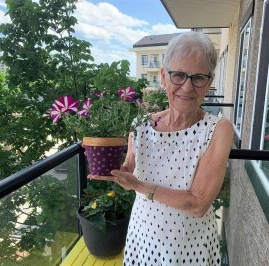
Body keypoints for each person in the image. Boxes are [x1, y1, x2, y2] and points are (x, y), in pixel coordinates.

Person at [89, 31, 234, 266]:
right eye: (178, 75)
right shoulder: (140, 125)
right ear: (164, 77)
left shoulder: (217, 130)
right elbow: (129, 166)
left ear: (209, 82)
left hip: (188, 248)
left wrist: (138, 185)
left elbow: (197, 204)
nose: (187, 87)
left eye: (198, 78)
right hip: (142, 237)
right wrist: (114, 170)